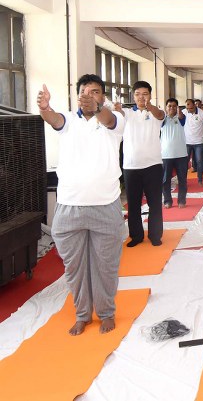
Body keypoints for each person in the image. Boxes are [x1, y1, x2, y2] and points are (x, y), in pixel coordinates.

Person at [37, 74, 126, 335]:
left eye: (95, 91)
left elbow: (108, 119)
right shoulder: (69, 120)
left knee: (106, 266)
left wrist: (98, 109)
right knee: (74, 267)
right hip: (69, 208)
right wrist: (44, 109)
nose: (89, 95)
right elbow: (54, 119)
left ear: (103, 96)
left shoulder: (114, 120)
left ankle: (107, 312)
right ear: (77, 95)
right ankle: (82, 313)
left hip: (105, 206)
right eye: (85, 91)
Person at [115, 81, 164, 247]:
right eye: (138, 94)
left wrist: (149, 106)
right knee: (133, 204)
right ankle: (136, 236)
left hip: (153, 165)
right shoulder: (128, 113)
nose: (141, 97)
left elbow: (160, 115)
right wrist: (116, 108)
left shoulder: (156, 113)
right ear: (133, 96)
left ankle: (155, 235)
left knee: (155, 203)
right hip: (131, 166)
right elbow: (118, 114)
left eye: (145, 94)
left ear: (150, 95)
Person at [161, 98, 188, 209]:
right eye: (169, 106)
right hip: (166, 155)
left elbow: (182, 117)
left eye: (174, 106)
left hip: (181, 155)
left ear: (177, 108)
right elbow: (159, 116)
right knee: (165, 180)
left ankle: (181, 201)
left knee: (182, 179)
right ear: (166, 107)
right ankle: (167, 200)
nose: (171, 108)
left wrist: (179, 111)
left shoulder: (181, 118)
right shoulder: (162, 119)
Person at [183, 98, 203, 185]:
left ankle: (200, 180)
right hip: (187, 142)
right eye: (187, 108)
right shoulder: (184, 112)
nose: (188, 110)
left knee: (199, 161)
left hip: (199, 142)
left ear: (194, 105)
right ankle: (183, 181)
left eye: (190, 108)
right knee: (184, 162)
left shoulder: (201, 113)